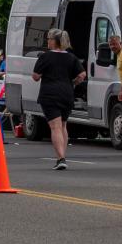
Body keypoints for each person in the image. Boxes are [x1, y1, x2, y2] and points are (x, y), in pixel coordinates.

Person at [32, 28, 85, 169]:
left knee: (55, 126)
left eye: (49, 39)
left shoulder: (45, 57)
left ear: (55, 41)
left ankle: (61, 158)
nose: (47, 42)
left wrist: (44, 74)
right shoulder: (71, 57)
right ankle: (63, 156)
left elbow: (35, 76)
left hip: (50, 94)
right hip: (67, 94)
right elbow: (82, 75)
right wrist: (73, 83)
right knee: (63, 125)